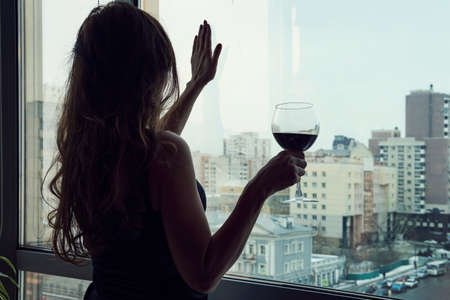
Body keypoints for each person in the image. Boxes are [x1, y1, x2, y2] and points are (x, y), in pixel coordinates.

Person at [45, 2, 307, 300]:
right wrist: (260, 187)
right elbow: (204, 275)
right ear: (143, 77)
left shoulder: (86, 150)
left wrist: (196, 84)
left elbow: (151, 151)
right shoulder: (167, 155)